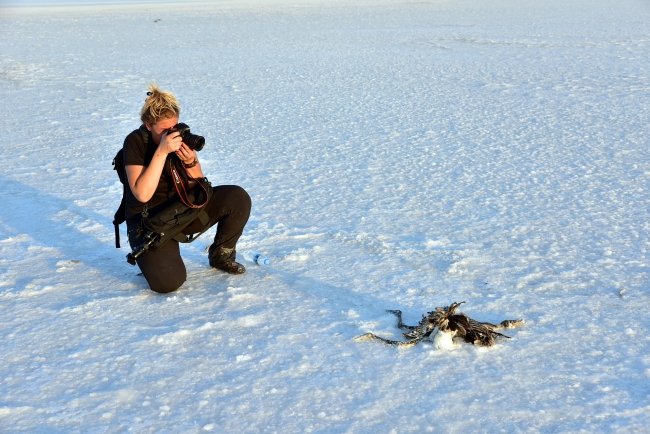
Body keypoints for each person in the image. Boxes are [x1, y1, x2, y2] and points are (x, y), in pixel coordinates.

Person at [123, 84, 251, 293]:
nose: (170, 133)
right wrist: (162, 152)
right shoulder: (135, 142)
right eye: (164, 129)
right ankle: (152, 261)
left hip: (181, 211)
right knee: (168, 284)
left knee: (237, 197)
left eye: (173, 127)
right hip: (149, 224)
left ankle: (221, 255)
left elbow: (199, 189)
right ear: (148, 125)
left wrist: (191, 162)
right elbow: (141, 194)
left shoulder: (179, 135)